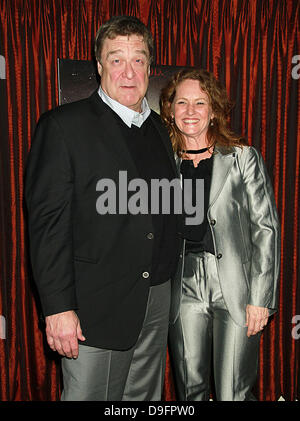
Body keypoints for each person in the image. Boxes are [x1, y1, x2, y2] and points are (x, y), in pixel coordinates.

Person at [25, 16, 181, 401]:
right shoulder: (63, 127)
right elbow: (48, 228)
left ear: (150, 66)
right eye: (116, 59)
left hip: (156, 299)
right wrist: (58, 309)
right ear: (98, 66)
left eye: (138, 60)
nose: (128, 72)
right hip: (95, 308)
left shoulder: (160, 129)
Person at [159, 68, 280, 401]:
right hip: (182, 284)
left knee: (233, 392)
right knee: (190, 390)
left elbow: (266, 229)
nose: (190, 111)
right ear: (169, 109)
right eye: (181, 102)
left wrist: (262, 298)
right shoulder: (162, 164)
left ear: (213, 110)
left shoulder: (242, 158)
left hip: (235, 286)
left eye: (200, 102)